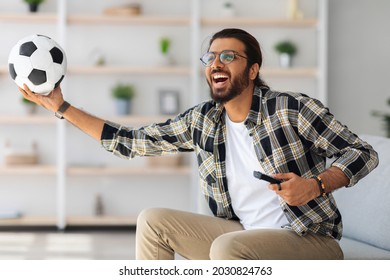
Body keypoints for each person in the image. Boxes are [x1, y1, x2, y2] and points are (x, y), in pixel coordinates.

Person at [19, 28, 378, 260]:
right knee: (153, 221)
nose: (215, 63)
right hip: (244, 234)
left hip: (311, 240)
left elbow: (362, 153)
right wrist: (61, 107)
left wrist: (314, 186)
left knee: (225, 249)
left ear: (252, 70)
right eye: (210, 57)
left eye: (228, 56)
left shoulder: (289, 108)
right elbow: (130, 142)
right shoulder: (204, 120)